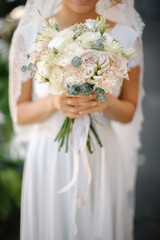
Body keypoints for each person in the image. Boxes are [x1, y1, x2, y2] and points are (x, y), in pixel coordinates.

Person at [9, 0, 145, 239]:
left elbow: (129, 112)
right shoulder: (30, 35)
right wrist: (53, 102)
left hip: (101, 155)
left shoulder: (126, 37)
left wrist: (108, 102)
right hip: (50, 157)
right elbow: (20, 114)